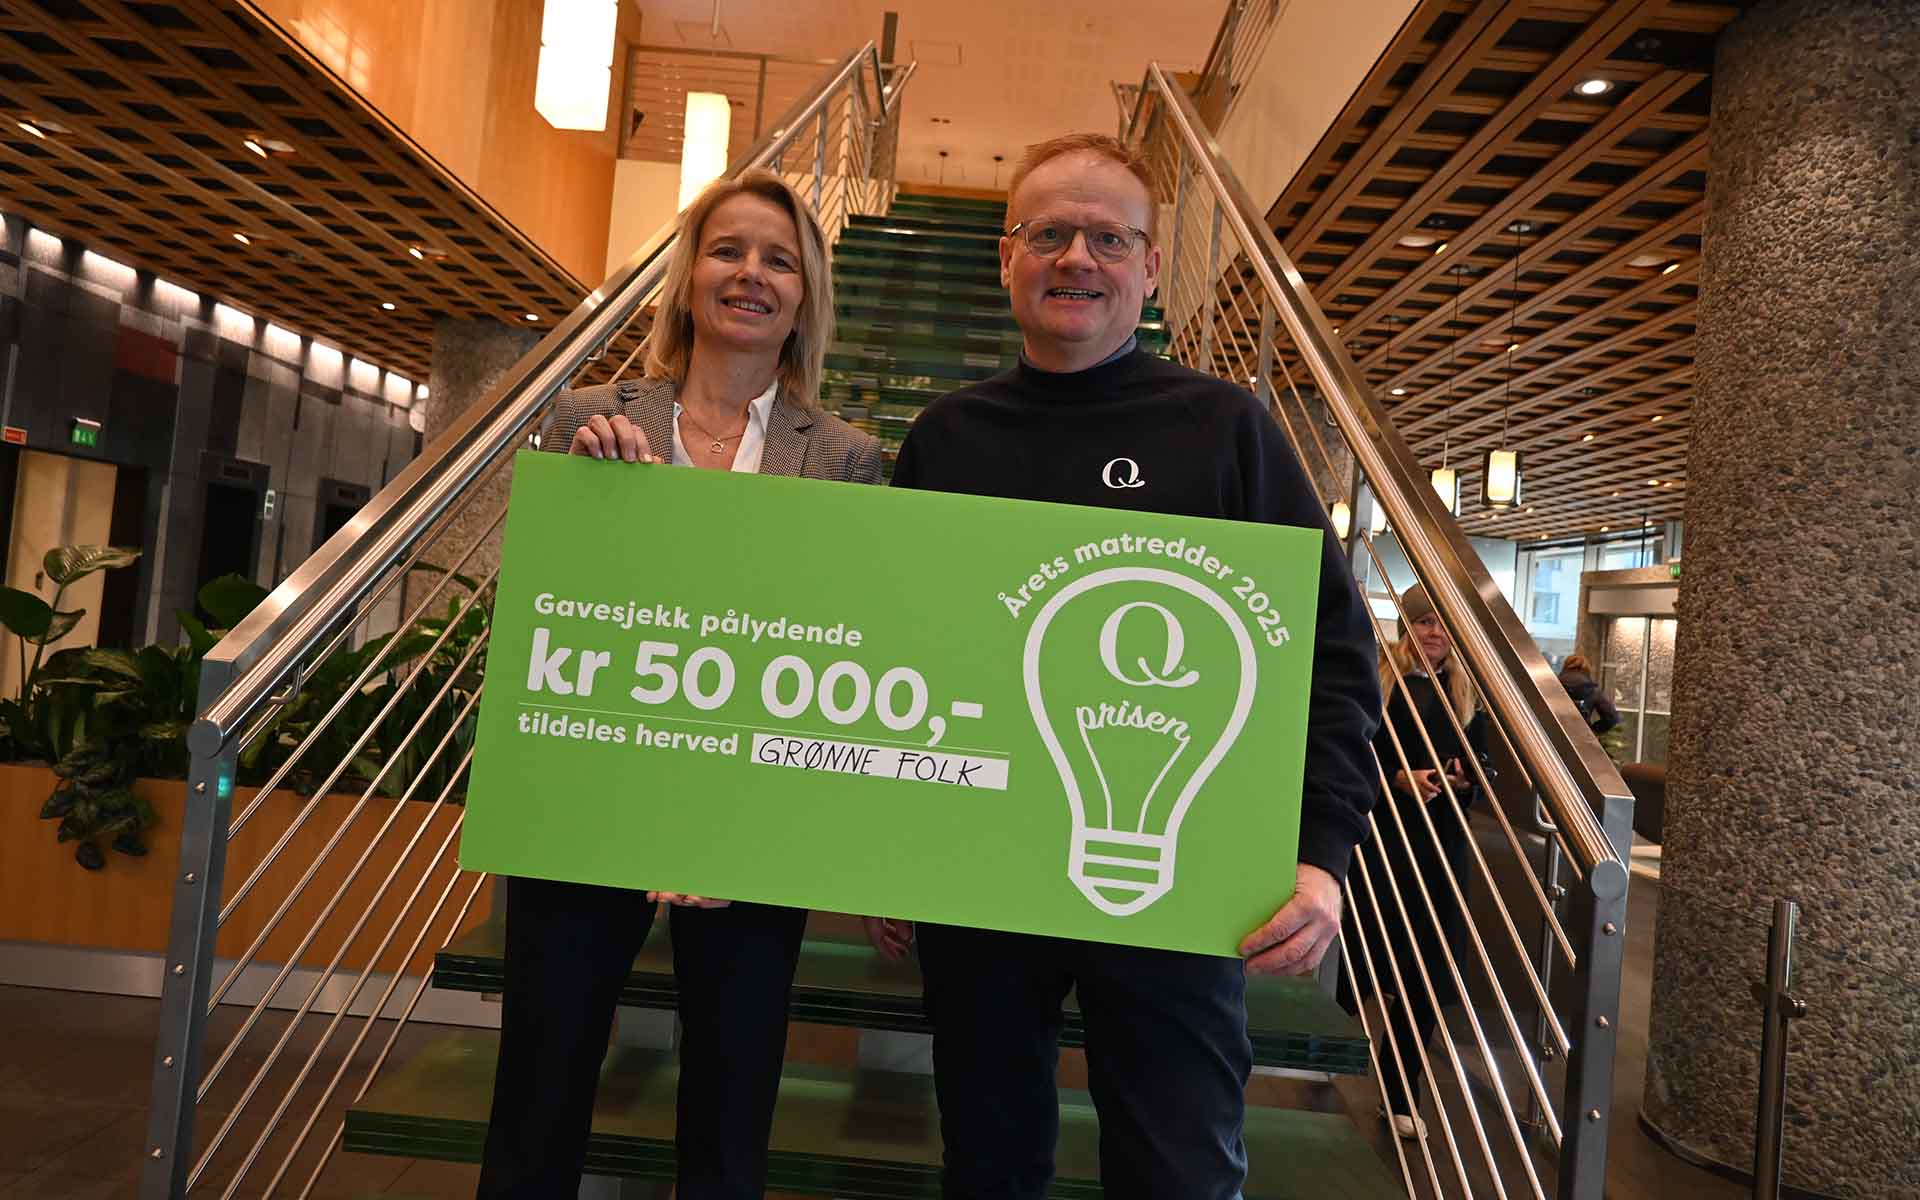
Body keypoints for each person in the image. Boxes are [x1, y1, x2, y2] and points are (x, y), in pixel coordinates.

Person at [875, 133, 1381, 1199]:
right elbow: (895, 654)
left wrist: (1320, 856)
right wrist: (889, 850)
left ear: (1151, 269)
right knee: (989, 1165)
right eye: (1049, 234)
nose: (1077, 258)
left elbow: (1331, 652)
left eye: (1110, 238)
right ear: (1005, 259)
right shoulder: (947, 440)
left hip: (1185, 886)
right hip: (978, 881)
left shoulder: (1226, 430)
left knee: (1178, 1169)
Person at [477, 169, 882, 1199]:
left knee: (732, 1106)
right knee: (539, 1087)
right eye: (728, 250)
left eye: (779, 259)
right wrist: (587, 493)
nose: (751, 274)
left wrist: (743, 825)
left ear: (806, 294)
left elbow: (844, 646)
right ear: (689, 275)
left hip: (752, 820)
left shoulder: (847, 459)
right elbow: (542, 606)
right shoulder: (588, 417)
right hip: (589, 802)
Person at [1337, 584, 1489, 1140]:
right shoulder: (1377, 680)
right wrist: (1397, 780)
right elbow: (1350, 755)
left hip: (1441, 850)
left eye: (1443, 624)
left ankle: (1402, 1093)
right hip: (1382, 845)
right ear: (1406, 624)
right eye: (1425, 621)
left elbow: (1483, 767)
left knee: (1426, 974)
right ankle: (1315, 1048)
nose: (1434, 633)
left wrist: (1462, 781)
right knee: (1358, 964)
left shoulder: (1466, 696)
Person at [1558, 652, 1620, 734]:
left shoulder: (1554, 685)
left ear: (1565, 667)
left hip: (1551, 732)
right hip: (1580, 735)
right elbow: (1612, 718)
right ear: (1587, 670)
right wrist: (1593, 730)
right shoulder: (1592, 689)